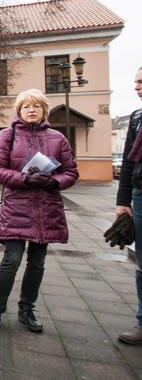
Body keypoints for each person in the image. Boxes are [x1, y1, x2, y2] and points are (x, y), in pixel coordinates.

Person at [0, 88, 78, 333]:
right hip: (17, 207)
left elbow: (71, 172)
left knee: (37, 262)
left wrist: (53, 181)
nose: (31, 110)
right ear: (19, 110)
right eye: (26, 106)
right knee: (11, 260)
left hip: (46, 210)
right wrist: (24, 179)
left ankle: (27, 309)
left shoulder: (57, 138)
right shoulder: (7, 135)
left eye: (36, 106)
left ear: (44, 110)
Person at [114, 66, 142, 345]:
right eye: (136, 81)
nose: (137, 86)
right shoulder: (136, 119)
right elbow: (129, 164)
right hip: (140, 194)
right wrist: (123, 201)